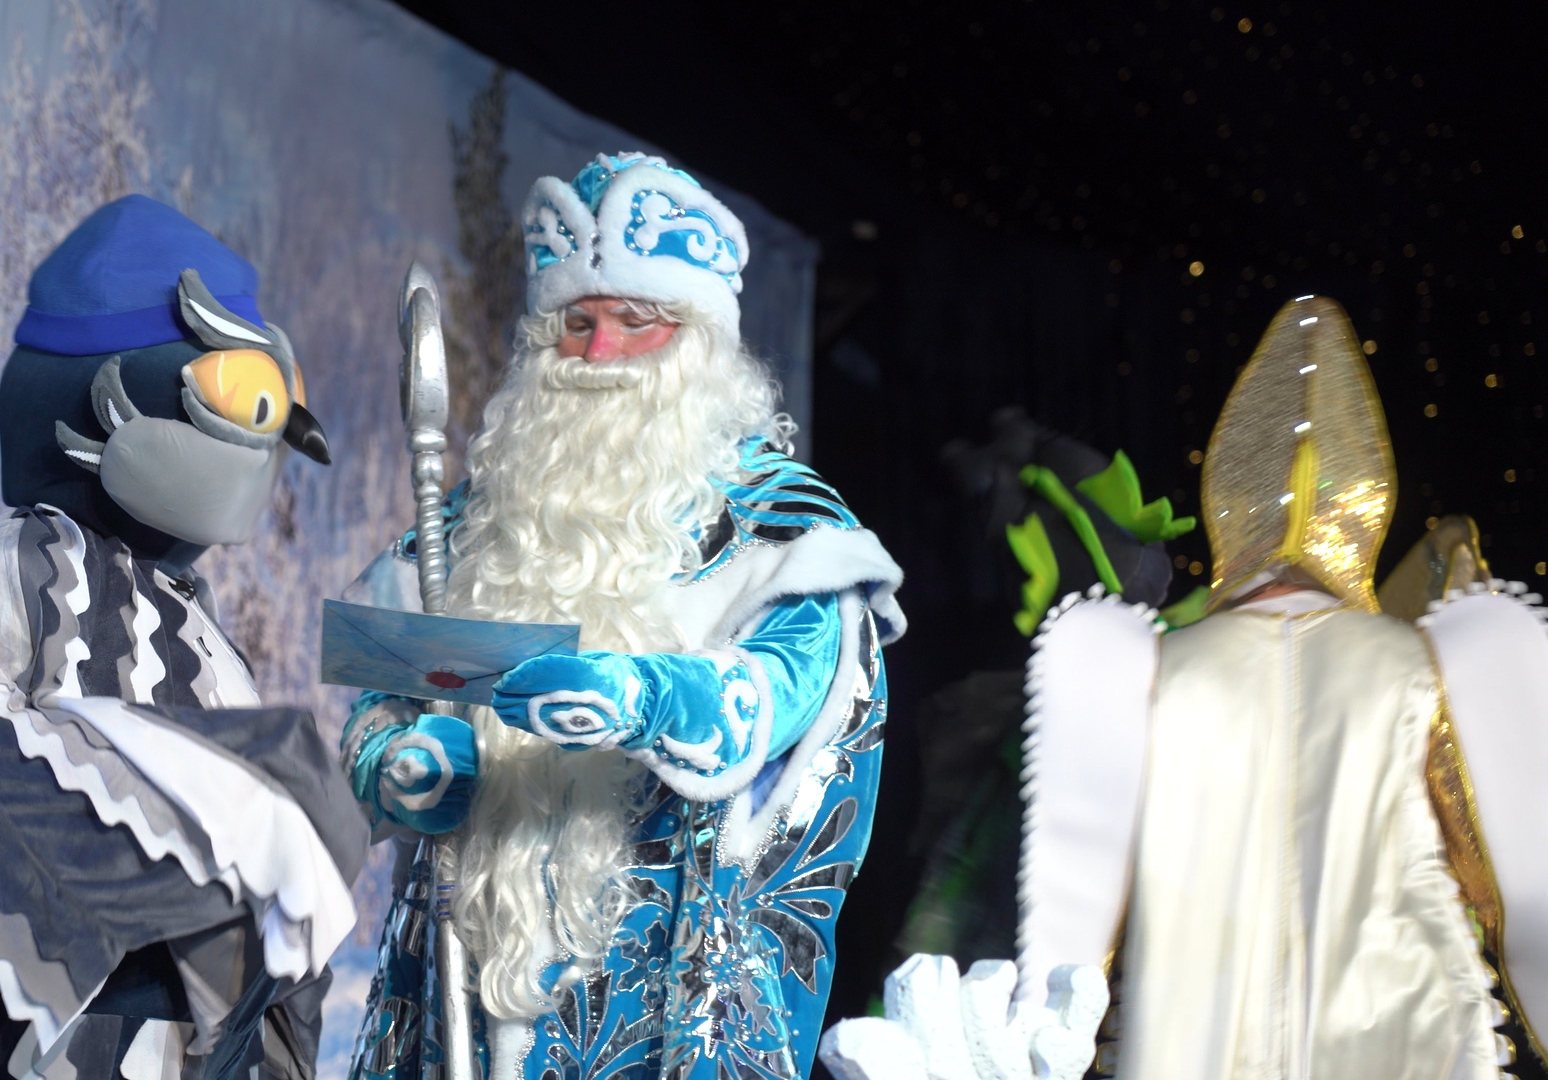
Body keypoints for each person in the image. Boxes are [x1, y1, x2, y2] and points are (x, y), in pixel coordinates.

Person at [822, 295, 1548, 1080]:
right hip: (1407, 1036)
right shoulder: (1424, 663)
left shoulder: (1142, 668)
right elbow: (1510, 891)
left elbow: (1075, 926)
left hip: (1191, 1042)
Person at [341, 153, 905, 1080]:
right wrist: (397, 765)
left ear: (699, 343)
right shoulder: (475, 523)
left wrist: (642, 696)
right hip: (459, 997)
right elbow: (382, 684)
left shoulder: (782, 527)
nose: (598, 355)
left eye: (635, 322)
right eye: (577, 323)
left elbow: (780, 694)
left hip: (662, 1006)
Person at [0, 196, 365, 1080]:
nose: (265, 449)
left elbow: (275, 907)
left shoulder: (195, 624)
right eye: (243, 399)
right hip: (33, 1040)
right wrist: (245, 802)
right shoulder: (27, 569)